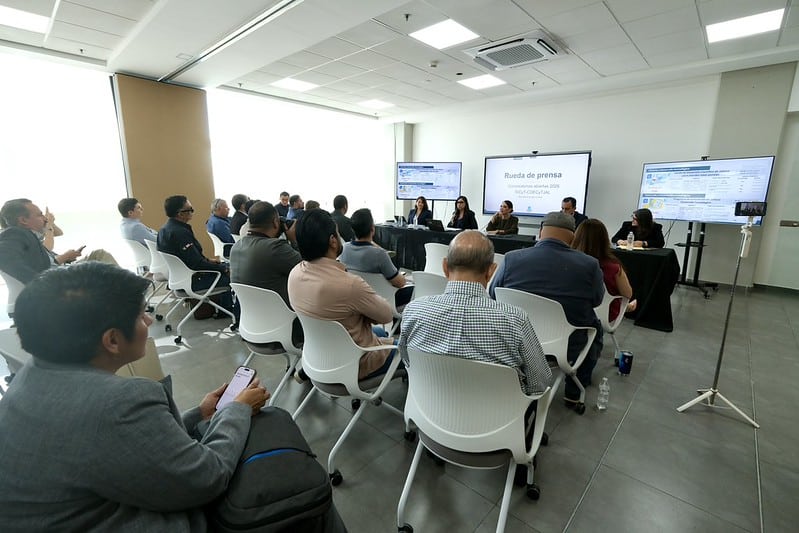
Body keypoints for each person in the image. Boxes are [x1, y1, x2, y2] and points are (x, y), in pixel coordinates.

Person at [0, 262, 269, 530]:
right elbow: (207, 479)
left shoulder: (30, 375)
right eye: (141, 316)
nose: (149, 321)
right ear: (112, 340)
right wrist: (237, 409)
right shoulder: (121, 400)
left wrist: (198, 415)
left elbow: (120, 443)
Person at [400, 230, 552, 395]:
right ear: (491, 271)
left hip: (429, 405)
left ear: (444, 267)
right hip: (498, 410)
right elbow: (539, 382)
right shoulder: (515, 319)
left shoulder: (413, 310)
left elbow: (407, 360)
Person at [489, 211, 604, 408]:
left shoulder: (511, 259)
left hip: (515, 340)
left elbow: (493, 294)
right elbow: (596, 300)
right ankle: (574, 391)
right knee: (595, 326)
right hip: (566, 345)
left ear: (541, 232)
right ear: (573, 236)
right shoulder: (589, 265)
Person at [288, 209, 396, 379]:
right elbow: (387, 315)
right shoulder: (349, 284)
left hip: (318, 358)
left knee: (379, 333)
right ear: (332, 241)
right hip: (354, 364)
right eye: (338, 234)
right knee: (410, 349)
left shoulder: (294, 274)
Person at [0, 198, 113, 284]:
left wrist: (50, 223)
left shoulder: (31, 236)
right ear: (23, 220)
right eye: (40, 215)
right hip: (56, 279)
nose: (45, 218)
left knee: (98, 255)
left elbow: (59, 233)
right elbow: (4, 257)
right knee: (101, 257)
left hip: (59, 271)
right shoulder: (16, 234)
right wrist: (39, 283)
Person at [158, 195, 236, 317]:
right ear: (180, 214)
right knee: (236, 275)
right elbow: (196, 264)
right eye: (190, 209)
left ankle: (224, 309)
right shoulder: (180, 233)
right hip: (193, 281)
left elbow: (188, 258)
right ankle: (231, 312)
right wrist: (223, 268)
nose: (192, 212)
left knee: (225, 267)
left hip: (180, 278)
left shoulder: (164, 229)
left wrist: (208, 260)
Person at [339, 208, 414, 309]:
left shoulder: (344, 249)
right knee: (415, 289)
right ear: (372, 229)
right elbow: (400, 283)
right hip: (383, 300)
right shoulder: (379, 254)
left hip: (357, 298)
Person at [572, 219, 637, 323]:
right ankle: (626, 307)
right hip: (604, 314)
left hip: (572, 312)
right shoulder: (614, 268)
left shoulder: (568, 262)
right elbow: (628, 294)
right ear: (604, 240)